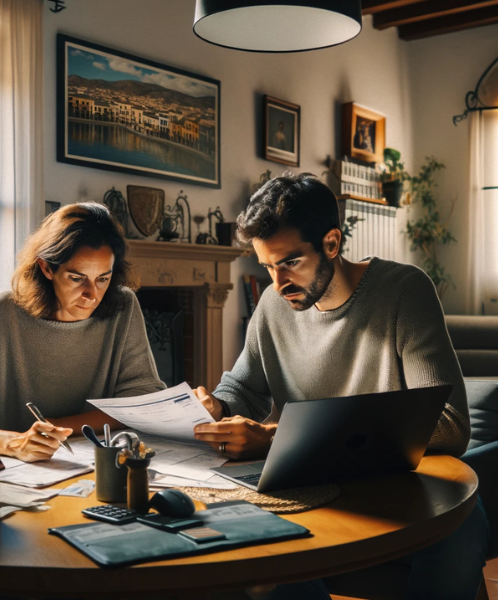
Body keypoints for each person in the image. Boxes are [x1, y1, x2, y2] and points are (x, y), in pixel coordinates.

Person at [193, 173, 489, 599]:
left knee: (458, 530)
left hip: (406, 486)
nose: (278, 283)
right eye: (267, 266)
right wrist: (217, 409)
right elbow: (243, 388)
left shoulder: (404, 292)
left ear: (331, 243)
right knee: (240, 553)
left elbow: (451, 426)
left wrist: (278, 439)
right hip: (310, 488)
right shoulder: (275, 304)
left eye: (291, 262)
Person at [0, 203, 165, 462]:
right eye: (76, 278)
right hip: (18, 472)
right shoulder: (1, 313)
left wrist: (59, 426)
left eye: (102, 279)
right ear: (47, 268)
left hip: (97, 464)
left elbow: (144, 400)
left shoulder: (122, 306)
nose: (92, 294)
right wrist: (15, 442)